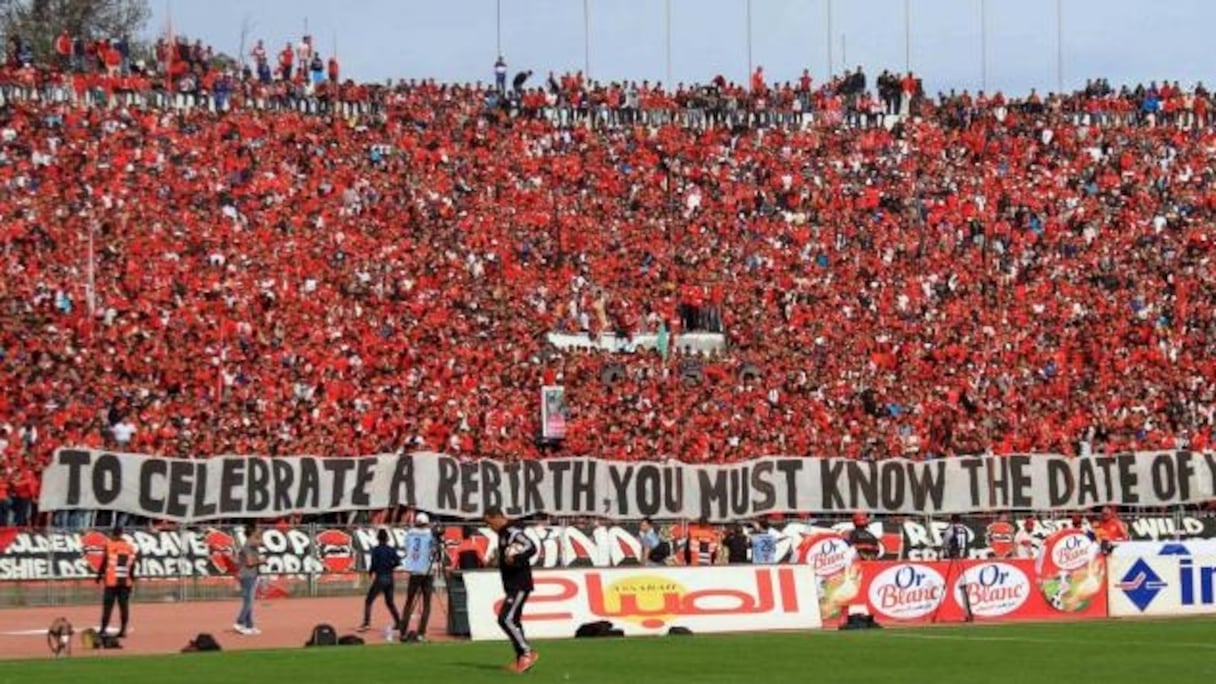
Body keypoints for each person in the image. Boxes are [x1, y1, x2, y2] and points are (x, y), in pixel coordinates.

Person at [484, 506, 539, 674]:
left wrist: (515, 558)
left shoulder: (512, 531)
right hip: (513, 584)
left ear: (497, 517)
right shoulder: (504, 533)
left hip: (519, 584)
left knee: (505, 619)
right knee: (513, 620)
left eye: (489, 522)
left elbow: (531, 546)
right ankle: (521, 659)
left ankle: (527, 653)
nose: (489, 527)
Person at [400, 512, 436, 642]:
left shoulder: (410, 533)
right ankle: (421, 633)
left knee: (409, 602)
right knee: (426, 603)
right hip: (427, 571)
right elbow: (434, 551)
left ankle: (403, 632)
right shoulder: (430, 534)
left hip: (414, 571)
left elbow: (407, 548)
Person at [358, 529, 403, 633]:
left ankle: (366, 623)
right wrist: (390, 566)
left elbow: (373, 563)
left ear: (378, 538)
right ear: (387, 538)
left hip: (381, 577)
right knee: (390, 602)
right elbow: (398, 562)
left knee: (369, 600)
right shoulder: (391, 549)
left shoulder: (376, 550)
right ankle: (398, 622)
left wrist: (371, 572)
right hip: (390, 578)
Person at [96, 526, 136, 638]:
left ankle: (103, 629)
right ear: (121, 534)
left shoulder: (109, 545)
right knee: (124, 606)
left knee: (108, 607)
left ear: (113, 534)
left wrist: (99, 575)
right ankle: (123, 630)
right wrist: (132, 578)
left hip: (111, 581)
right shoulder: (129, 547)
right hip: (125, 582)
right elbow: (133, 564)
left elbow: (105, 561)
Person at [233, 525, 263, 636]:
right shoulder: (247, 547)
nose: (260, 534)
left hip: (251, 575)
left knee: (249, 601)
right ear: (252, 534)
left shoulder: (252, 546)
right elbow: (250, 563)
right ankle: (239, 622)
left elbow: (260, 542)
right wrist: (261, 561)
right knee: (248, 601)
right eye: (257, 532)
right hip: (247, 576)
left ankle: (250, 625)